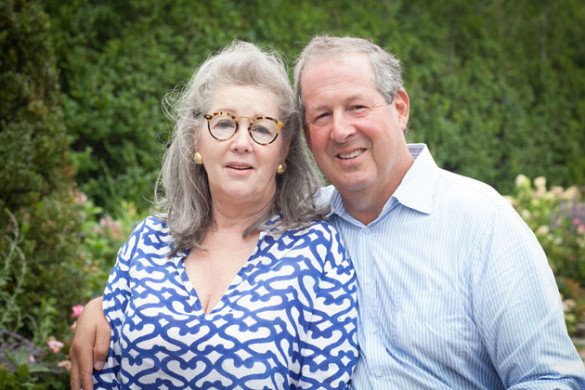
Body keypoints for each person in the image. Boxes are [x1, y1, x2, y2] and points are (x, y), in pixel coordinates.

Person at [71, 35, 585, 389]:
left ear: (400, 108)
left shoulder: (478, 219)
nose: (341, 130)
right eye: (322, 115)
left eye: (357, 107)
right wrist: (102, 310)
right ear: (304, 139)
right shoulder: (307, 222)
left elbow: (551, 378)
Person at [76, 40, 358, 390]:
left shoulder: (319, 251)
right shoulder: (147, 241)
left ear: (283, 149)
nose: (242, 142)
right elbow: (98, 373)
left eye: (261, 128)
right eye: (224, 124)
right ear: (196, 140)